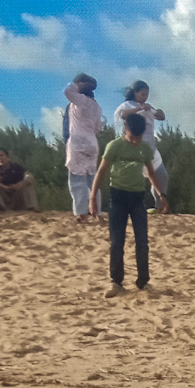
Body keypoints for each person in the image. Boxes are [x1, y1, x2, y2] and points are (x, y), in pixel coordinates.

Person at [89, 111, 167, 296]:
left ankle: (143, 282)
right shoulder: (114, 146)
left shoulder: (145, 149)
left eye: (138, 138)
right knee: (117, 241)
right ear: (125, 130)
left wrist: (161, 194)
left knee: (142, 241)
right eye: (132, 138)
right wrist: (93, 198)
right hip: (118, 198)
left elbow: (151, 173)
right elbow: (101, 172)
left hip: (138, 198)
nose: (135, 142)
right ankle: (116, 282)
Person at [114, 81, 168, 209]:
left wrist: (155, 110)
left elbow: (161, 116)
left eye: (147, 94)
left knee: (161, 175)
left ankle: (160, 205)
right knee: (132, 177)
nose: (145, 97)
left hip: (150, 147)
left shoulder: (147, 106)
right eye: (143, 94)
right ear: (135, 93)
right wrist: (139, 109)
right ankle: (125, 206)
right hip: (134, 145)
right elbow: (123, 115)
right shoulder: (127, 105)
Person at [64, 73, 103, 220]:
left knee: (77, 180)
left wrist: (76, 84)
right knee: (93, 180)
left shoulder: (80, 101)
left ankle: (82, 214)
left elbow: (67, 91)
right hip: (92, 143)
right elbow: (98, 128)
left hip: (77, 143)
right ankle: (97, 213)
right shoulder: (96, 106)